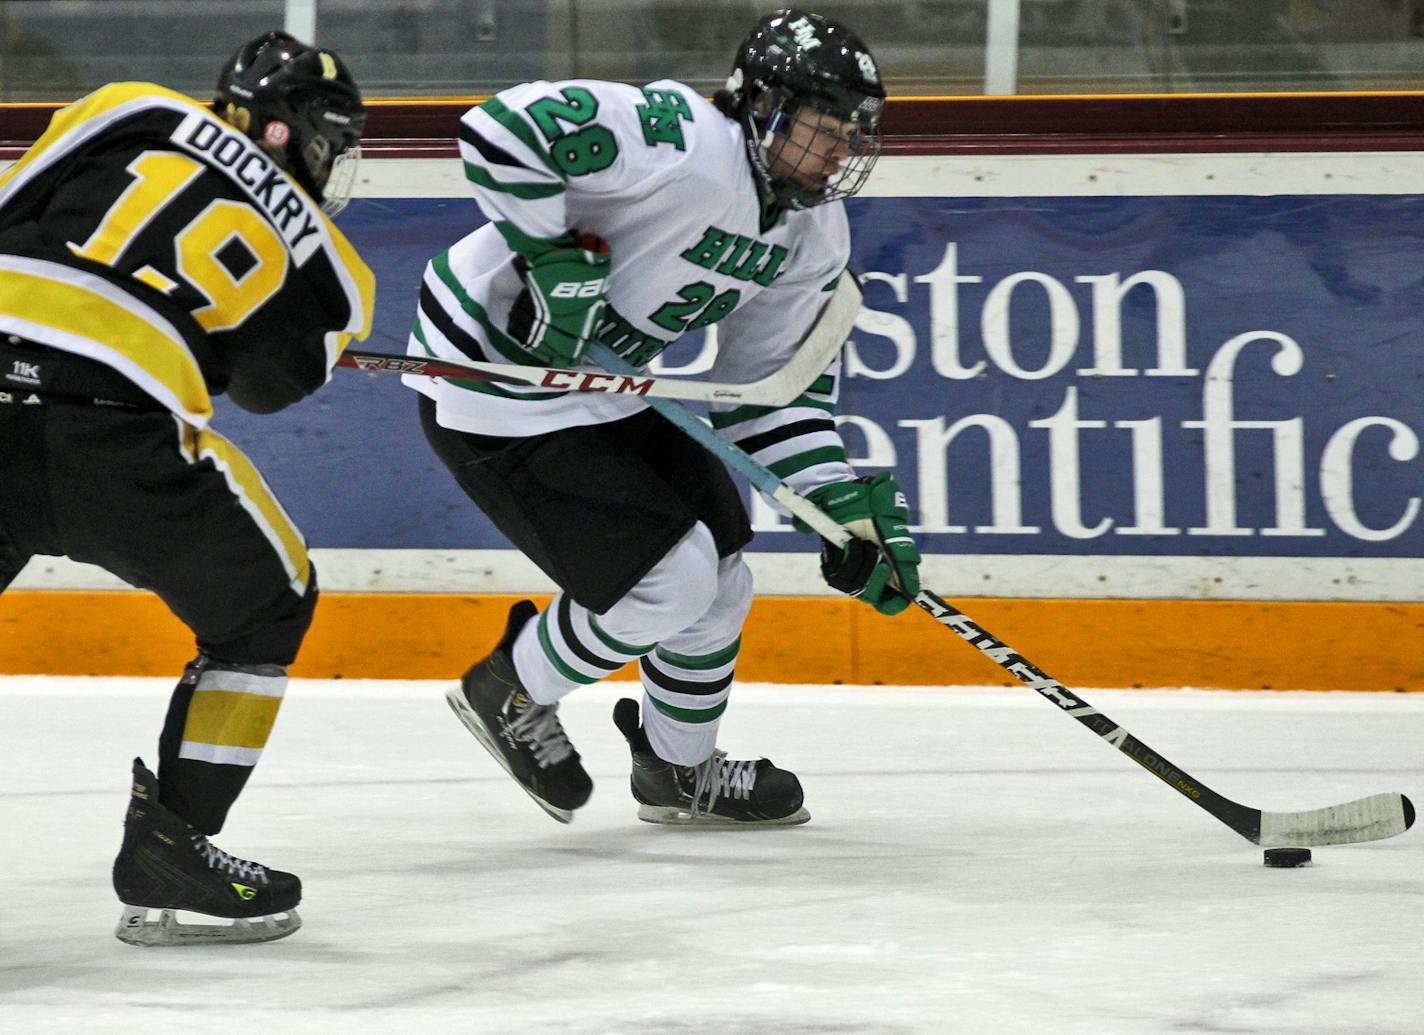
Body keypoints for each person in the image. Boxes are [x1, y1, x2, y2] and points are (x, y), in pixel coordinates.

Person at [408, 9, 920, 826]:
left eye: (852, 135)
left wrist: (837, 505)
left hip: (602, 389)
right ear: (763, 107)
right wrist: (546, 258)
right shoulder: (681, 139)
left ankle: (676, 771)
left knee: (720, 577)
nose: (839, 154)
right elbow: (500, 126)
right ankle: (511, 688)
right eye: (823, 128)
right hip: (494, 380)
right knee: (670, 578)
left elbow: (766, 394)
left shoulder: (812, 235)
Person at [0, 31, 373, 944]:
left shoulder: (122, 106)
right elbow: (271, 386)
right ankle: (175, 844)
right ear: (298, 135)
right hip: (113, 434)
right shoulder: (331, 265)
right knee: (268, 607)